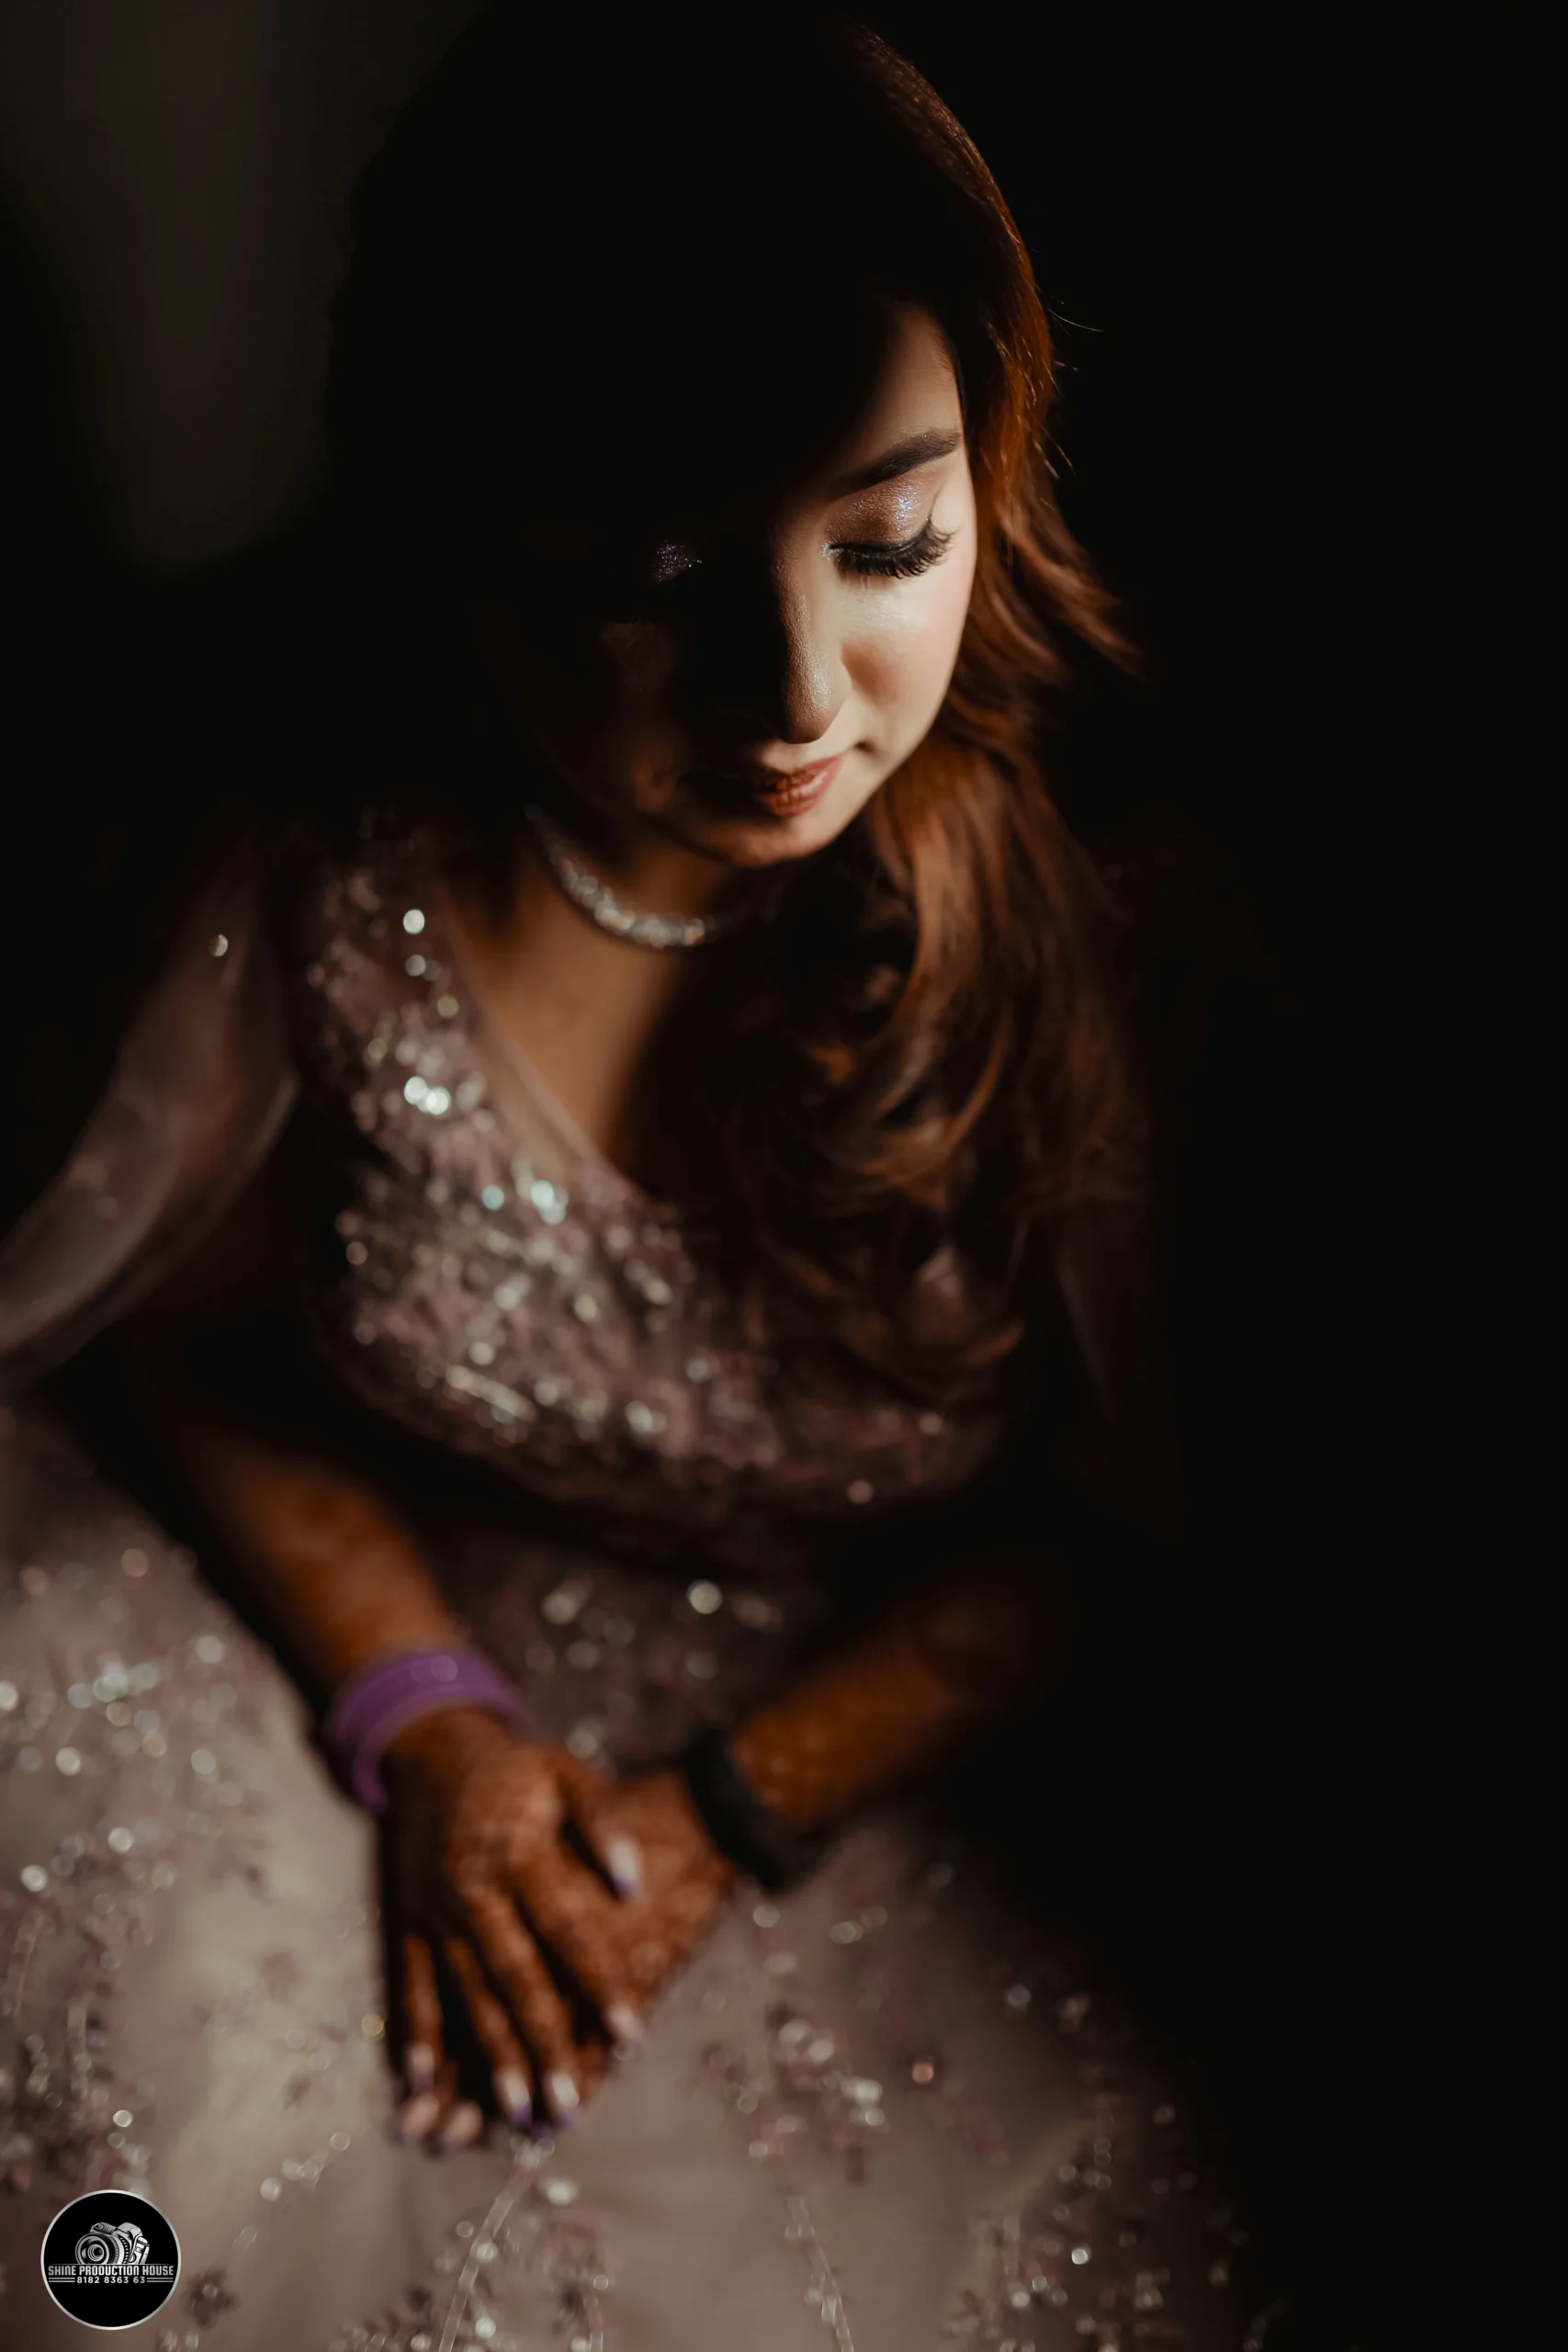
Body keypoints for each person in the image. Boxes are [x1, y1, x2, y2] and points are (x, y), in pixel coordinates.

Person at [0, 11, 1278, 2346]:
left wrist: (724, 1814)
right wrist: (428, 1715)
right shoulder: (315, 870)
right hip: (373, 1661)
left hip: (876, 1767)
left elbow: (1151, 1542)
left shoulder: (1130, 916)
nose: (792, 692)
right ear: (460, 549)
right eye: (642, 576)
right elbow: (192, 1334)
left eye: (888, 539)